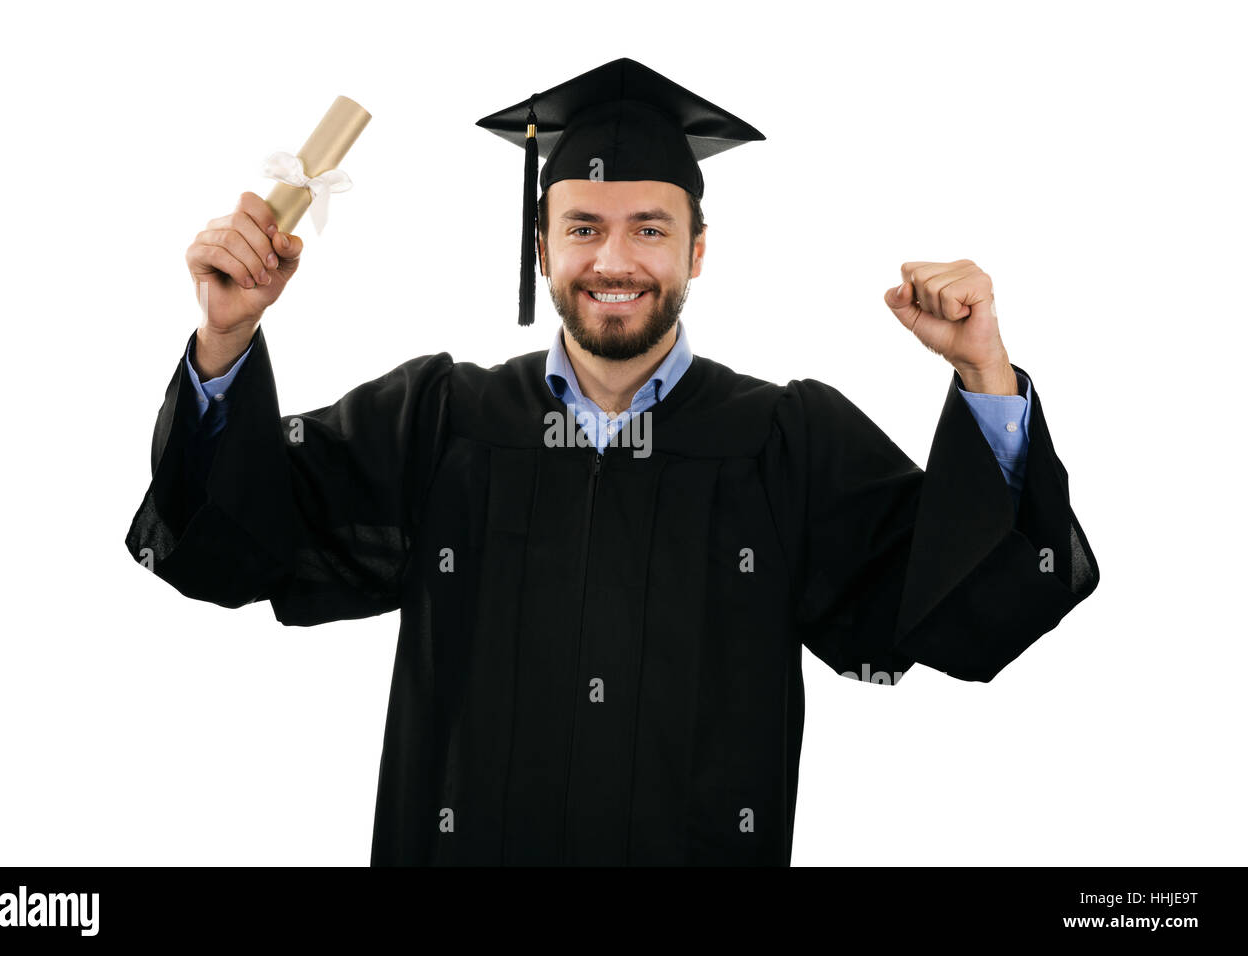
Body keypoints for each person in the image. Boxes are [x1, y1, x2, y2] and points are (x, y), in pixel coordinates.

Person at [126, 58, 1100, 866]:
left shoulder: (783, 441)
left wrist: (984, 373)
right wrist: (225, 338)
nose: (614, 260)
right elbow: (233, 547)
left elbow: (967, 606)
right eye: (584, 226)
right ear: (541, 243)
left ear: (698, 250)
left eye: (650, 228)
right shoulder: (440, 420)